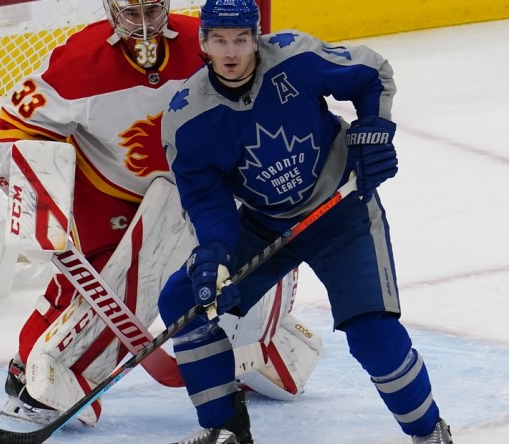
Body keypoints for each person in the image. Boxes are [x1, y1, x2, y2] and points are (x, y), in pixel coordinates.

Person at [0, 0, 321, 428]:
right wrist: (38, 193)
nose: (145, 23)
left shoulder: (205, 43)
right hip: (112, 191)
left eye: (153, 8)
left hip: (203, 184)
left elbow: (269, 96)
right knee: (105, 284)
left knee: (262, 236)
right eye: (133, 10)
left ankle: (256, 344)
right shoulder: (80, 61)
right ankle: (40, 365)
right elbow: (21, 124)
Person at [159, 1, 452, 443]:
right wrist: (214, 253)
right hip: (265, 223)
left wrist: (372, 130)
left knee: (371, 332)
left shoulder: (294, 58)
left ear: (256, 38)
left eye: (241, 39)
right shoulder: (187, 120)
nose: (231, 51)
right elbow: (207, 201)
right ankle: (225, 429)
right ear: (203, 43)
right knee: (185, 305)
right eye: (219, 40)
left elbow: (371, 73)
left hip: (341, 211)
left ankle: (430, 433)